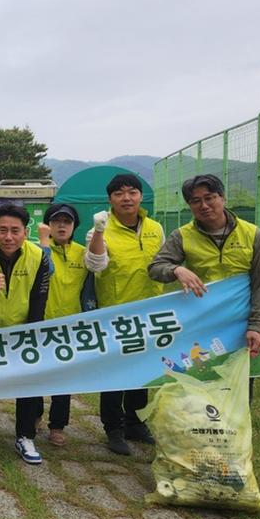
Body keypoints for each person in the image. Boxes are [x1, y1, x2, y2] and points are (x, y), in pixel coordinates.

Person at [147, 174, 260, 400]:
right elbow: (155, 268)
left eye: (210, 198)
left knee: (239, 389)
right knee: (200, 386)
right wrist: (176, 270)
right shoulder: (182, 236)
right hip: (202, 325)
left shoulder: (253, 235)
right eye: (195, 201)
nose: (204, 205)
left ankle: (236, 424)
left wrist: (257, 326)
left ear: (223, 198)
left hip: (241, 324)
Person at [85, 173, 164, 456]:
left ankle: (135, 422)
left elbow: (163, 263)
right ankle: (113, 428)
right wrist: (99, 231)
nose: (126, 198)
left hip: (149, 313)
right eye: (119, 193)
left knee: (142, 371)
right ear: (110, 199)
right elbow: (95, 265)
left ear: (141, 196)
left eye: (132, 192)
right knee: (114, 375)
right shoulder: (99, 229)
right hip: (114, 315)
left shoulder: (155, 228)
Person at [0, 204, 51, 464]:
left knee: (27, 384)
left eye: (15, 231)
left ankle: (25, 436)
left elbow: (39, 298)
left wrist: (32, 332)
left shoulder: (38, 256)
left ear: (25, 232)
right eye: (2, 230)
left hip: (22, 330)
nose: (8, 237)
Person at [36, 203, 96, 447]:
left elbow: (89, 290)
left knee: (63, 380)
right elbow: (44, 272)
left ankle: (57, 426)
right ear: (47, 225)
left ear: (74, 226)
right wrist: (45, 245)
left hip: (70, 328)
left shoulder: (83, 254)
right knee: (36, 376)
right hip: (40, 325)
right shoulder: (37, 249)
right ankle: (34, 415)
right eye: (56, 221)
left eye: (67, 222)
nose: (61, 226)